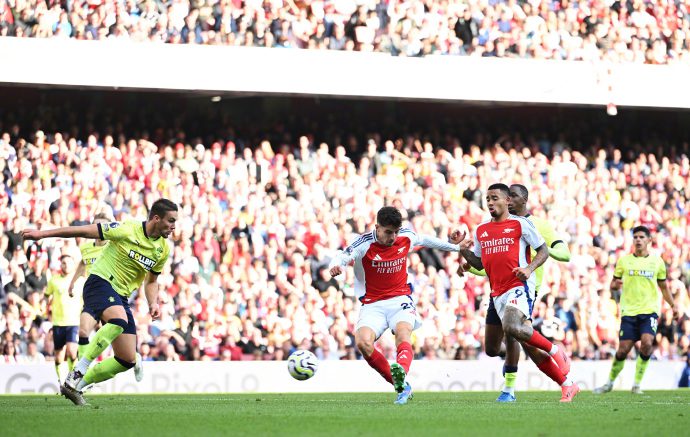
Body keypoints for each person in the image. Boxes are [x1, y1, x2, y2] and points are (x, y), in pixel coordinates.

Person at [22, 198, 177, 405]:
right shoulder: (127, 228)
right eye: (170, 221)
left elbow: (152, 281)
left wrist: (153, 303)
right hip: (100, 281)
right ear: (156, 218)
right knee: (117, 321)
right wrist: (43, 235)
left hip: (121, 296)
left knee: (127, 359)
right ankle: (78, 370)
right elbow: (84, 231)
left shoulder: (163, 250)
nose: (174, 226)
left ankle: (76, 385)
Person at [455, 183, 579, 402]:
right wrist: (461, 249)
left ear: (509, 201)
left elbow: (544, 251)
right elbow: (481, 263)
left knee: (512, 328)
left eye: (495, 198)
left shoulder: (525, 224)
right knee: (493, 349)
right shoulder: (482, 230)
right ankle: (566, 383)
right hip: (497, 292)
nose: (491, 203)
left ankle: (550, 355)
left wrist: (529, 269)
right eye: (488, 199)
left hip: (521, 288)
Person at [329, 206, 463, 405]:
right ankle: (402, 386)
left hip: (400, 299)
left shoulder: (405, 237)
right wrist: (337, 264)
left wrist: (455, 246)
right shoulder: (364, 243)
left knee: (403, 332)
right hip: (372, 303)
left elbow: (425, 239)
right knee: (363, 343)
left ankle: (401, 369)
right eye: (388, 232)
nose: (392, 237)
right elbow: (343, 254)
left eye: (396, 232)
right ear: (377, 227)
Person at [594, 225, 678, 395]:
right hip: (629, 312)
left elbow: (663, 287)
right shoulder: (623, 261)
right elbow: (613, 284)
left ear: (649, 240)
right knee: (623, 350)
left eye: (641, 237)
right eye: (635, 237)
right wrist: (615, 285)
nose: (638, 240)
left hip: (649, 311)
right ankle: (609, 383)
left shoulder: (657, 262)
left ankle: (637, 385)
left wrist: (673, 305)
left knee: (647, 344)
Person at [68, 211, 144, 382]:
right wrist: (72, 282)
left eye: (103, 225)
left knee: (116, 331)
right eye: (97, 225)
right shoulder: (86, 248)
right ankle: (80, 371)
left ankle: (133, 355)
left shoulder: (114, 247)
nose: (99, 229)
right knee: (83, 330)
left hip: (111, 294)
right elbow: (83, 263)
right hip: (93, 295)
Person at [45, 254, 81, 386]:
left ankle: (72, 382)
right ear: (60, 265)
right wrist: (46, 308)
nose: (66, 265)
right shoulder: (54, 281)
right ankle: (61, 382)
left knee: (72, 351)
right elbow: (47, 296)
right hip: (58, 322)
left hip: (73, 322)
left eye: (69, 263)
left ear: (74, 265)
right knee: (59, 356)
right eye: (64, 263)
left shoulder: (79, 281)